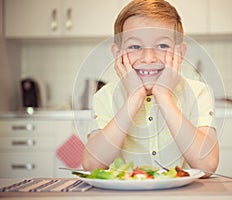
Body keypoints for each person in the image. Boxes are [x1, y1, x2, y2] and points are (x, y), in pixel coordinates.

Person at [82, 0, 219, 176]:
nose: (148, 58)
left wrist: (163, 95)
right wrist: (134, 97)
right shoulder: (105, 96)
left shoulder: (199, 92)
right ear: (117, 54)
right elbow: (92, 164)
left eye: (162, 46)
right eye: (135, 46)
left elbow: (207, 164)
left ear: (180, 53)